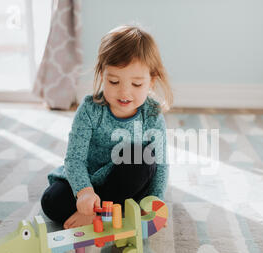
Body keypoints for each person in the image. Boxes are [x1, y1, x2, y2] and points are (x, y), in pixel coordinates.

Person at [40, 24, 173, 229]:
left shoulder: (152, 113)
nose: (124, 92)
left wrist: (156, 200)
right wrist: (84, 191)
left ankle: (101, 212)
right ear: (102, 74)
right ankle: (105, 211)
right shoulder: (89, 110)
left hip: (124, 181)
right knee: (51, 202)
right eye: (114, 81)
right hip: (90, 178)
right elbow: (75, 159)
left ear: (151, 81)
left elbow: (161, 163)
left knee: (140, 158)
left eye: (136, 84)